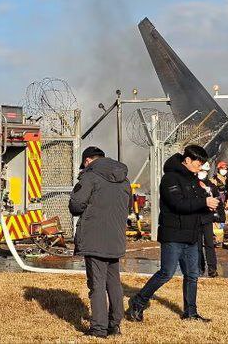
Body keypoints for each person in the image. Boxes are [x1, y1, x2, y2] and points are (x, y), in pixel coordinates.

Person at [127, 145, 218, 323]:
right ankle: (138, 301)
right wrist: (203, 201)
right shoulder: (170, 178)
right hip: (173, 235)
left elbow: (197, 203)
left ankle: (190, 313)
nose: (200, 168)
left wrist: (209, 206)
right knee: (166, 273)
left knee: (192, 275)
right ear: (188, 160)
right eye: (198, 164)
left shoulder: (193, 179)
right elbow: (178, 204)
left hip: (191, 235)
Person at [69, 146, 130, 338]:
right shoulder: (124, 179)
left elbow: (76, 205)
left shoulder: (90, 177)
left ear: (87, 161)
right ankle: (115, 325)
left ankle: (98, 328)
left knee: (96, 283)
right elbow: (127, 206)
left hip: (95, 237)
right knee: (114, 282)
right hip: (116, 237)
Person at [197, 162, 224, 278]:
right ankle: (199, 268)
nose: (202, 174)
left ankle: (212, 269)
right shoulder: (192, 184)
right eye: (200, 171)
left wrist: (220, 217)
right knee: (196, 245)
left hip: (207, 218)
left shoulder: (212, 186)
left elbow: (218, 201)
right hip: (196, 218)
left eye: (204, 172)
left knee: (209, 244)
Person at [209, 161, 228, 245]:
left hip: (222, 203)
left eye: (225, 169)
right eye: (222, 169)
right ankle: (216, 240)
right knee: (216, 220)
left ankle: (219, 240)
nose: (224, 170)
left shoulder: (226, 180)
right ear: (218, 169)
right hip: (216, 202)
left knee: (221, 220)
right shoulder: (213, 180)